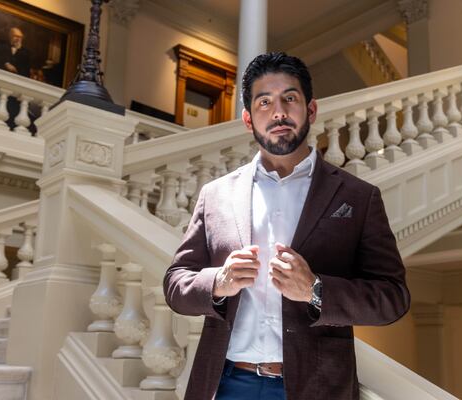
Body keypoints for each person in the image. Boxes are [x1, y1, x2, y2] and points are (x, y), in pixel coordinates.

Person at [163, 52, 410, 400]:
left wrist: (316, 290)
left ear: (310, 110)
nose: (278, 112)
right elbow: (175, 285)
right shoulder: (215, 195)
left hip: (317, 387)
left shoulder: (358, 197)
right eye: (264, 102)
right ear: (249, 120)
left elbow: (393, 298)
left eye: (289, 98)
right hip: (227, 383)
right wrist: (218, 281)